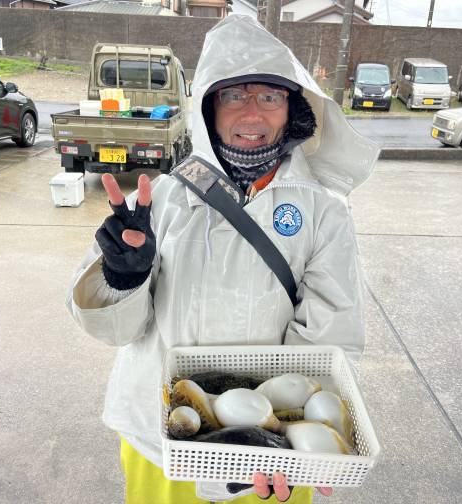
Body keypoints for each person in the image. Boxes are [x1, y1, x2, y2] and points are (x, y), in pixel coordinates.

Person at [67, 15, 378, 504]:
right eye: (234, 96)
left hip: (268, 461)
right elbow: (116, 332)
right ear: (209, 109)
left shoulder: (323, 211)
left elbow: (329, 337)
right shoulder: (162, 199)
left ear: (293, 109)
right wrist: (122, 278)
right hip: (160, 442)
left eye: (270, 97)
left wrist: (293, 446)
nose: (252, 114)